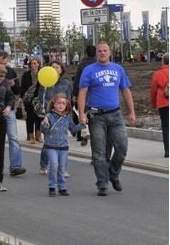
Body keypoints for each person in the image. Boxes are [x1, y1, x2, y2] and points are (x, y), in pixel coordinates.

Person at [78, 42, 136, 196]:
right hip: (96, 116)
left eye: (105, 51)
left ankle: (113, 174)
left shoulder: (118, 69)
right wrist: (81, 114)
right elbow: (82, 93)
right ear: (96, 53)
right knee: (99, 153)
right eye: (99, 51)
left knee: (122, 149)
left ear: (110, 53)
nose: (102, 53)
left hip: (116, 115)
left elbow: (125, 90)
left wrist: (132, 112)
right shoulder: (88, 70)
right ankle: (102, 184)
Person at [0, 51, 26, 177]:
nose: (3, 66)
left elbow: (17, 91)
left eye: (5, 64)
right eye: (0, 63)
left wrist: (12, 85)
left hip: (8, 109)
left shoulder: (11, 72)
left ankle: (15, 166)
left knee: (13, 137)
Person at [41, 93, 85, 197]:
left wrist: (82, 124)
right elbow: (44, 131)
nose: (61, 105)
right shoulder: (49, 116)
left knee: (62, 168)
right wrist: (45, 124)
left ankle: (62, 187)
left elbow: (73, 129)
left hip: (63, 147)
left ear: (66, 105)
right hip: (51, 146)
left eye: (63, 103)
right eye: (59, 103)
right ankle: (52, 187)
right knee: (54, 166)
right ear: (54, 104)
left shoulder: (67, 117)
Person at [37, 60, 72, 175]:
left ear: (61, 70)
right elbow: (41, 99)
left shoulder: (66, 84)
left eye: (58, 67)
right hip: (50, 114)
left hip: (62, 115)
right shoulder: (45, 82)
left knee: (63, 141)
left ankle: (62, 169)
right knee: (49, 142)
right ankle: (44, 164)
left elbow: (68, 99)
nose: (55, 69)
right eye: (53, 67)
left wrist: (67, 113)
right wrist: (46, 114)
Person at [72, 45, 97, 144]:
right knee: (93, 112)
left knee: (81, 112)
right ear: (95, 53)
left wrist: (75, 94)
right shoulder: (98, 63)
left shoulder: (82, 64)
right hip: (94, 92)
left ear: (86, 53)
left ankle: (81, 134)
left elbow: (77, 80)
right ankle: (93, 132)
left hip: (83, 91)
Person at [150, 53, 169, 157]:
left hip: (163, 102)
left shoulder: (157, 74)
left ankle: (167, 149)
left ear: (162, 61)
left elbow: (153, 91)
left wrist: (153, 104)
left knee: (166, 126)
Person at [20, 57, 42, 144]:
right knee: (30, 118)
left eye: (35, 63)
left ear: (38, 64)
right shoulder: (26, 74)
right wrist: (22, 97)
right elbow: (23, 87)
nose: (33, 65)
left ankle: (38, 135)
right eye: (32, 63)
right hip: (29, 98)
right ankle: (30, 136)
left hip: (38, 98)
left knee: (39, 117)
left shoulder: (42, 73)